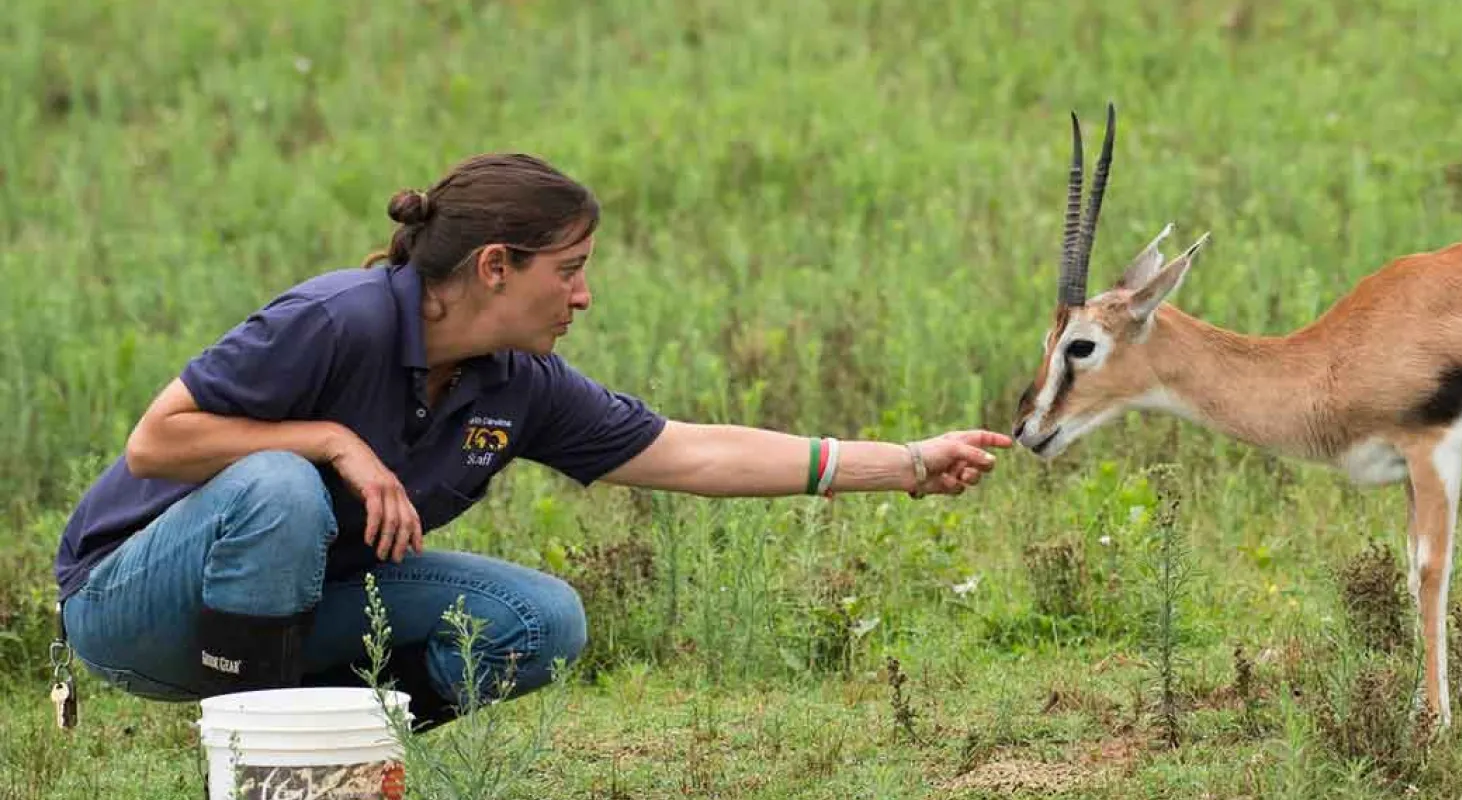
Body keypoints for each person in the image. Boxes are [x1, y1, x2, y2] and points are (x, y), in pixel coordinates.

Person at [51, 152, 1012, 731]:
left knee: (540, 621)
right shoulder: (337, 319)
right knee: (281, 484)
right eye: (573, 269)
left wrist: (909, 465)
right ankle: (260, 759)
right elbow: (156, 442)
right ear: (496, 267)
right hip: (130, 603)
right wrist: (336, 441)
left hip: (302, 610)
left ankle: (340, 754)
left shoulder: (518, 385)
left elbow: (689, 453)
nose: (585, 296)